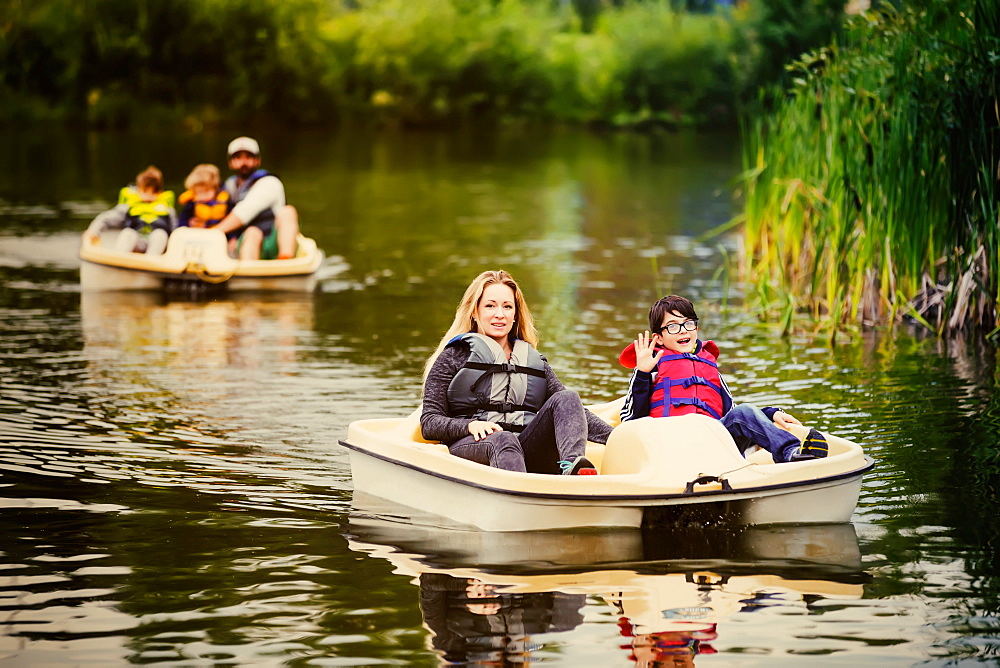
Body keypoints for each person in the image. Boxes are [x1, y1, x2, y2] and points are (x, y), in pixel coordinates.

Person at [420, 269, 613, 475]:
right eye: (490, 306)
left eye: (507, 307)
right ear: (475, 312)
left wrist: (618, 436)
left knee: (567, 398)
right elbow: (429, 422)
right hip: (474, 446)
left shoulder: (534, 361)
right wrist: (469, 426)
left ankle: (573, 469)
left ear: (515, 314)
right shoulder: (453, 356)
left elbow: (572, 414)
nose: (499, 314)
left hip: (525, 446)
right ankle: (518, 497)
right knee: (504, 439)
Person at [619, 295, 828, 463]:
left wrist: (770, 413)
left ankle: (792, 454)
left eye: (688, 324)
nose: (683, 330)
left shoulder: (710, 369)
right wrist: (643, 373)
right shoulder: (649, 371)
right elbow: (630, 420)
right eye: (673, 326)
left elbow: (735, 415)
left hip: (713, 447)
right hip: (670, 449)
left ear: (696, 328)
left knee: (744, 411)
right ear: (659, 337)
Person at [213, 136, 300, 260]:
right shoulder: (229, 186)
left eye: (248, 157)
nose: (244, 163)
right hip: (247, 239)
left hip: (271, 241)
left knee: (288, 212)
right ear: (230, 162)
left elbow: (243, 213)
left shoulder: (270, 182)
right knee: (252, 233)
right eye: (238, 158)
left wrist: (211, 234)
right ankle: (249, 272)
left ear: (257, 161)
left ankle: (285, 258)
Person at [83, 165, 176, 254]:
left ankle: (152, 262)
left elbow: (175, 229)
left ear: (159, 192)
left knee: (160, 235)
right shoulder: (128, 206)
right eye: (145, 191)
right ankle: (119, 260)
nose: (148, 196)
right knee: (128, 233)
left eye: (153, 192)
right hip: (137, 242)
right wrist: (92, 232)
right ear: (138, 190)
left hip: (156, 245)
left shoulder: (168, 210)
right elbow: (105, 219)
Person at [176, 163, 232, 233]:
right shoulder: (192, 204)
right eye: (199, 192)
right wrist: (189, 224)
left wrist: (233, 238)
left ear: (215, 189)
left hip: (219, 235)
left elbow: (232, 221)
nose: (202, 197)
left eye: (206, 192)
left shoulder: (225, 202)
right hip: (197, 234)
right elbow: (182, 222)